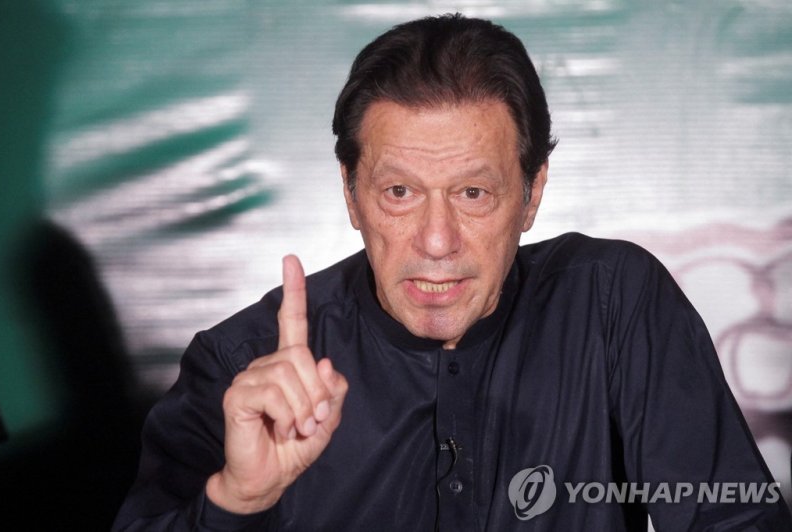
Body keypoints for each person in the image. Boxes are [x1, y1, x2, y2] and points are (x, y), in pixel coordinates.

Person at [114, 14, 791, 531]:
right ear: (351, 194)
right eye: (399, 193)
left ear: (532, 195)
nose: (437, 242)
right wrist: (236, 503)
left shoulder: (613, 303)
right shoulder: (239, 366)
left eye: (473, 193)